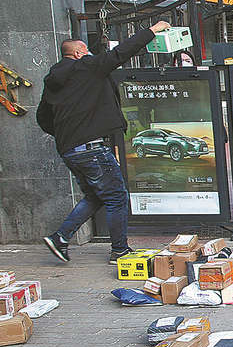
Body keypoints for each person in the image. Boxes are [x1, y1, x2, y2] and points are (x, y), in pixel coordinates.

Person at [38, 20, 171, 264]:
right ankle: (119, 250)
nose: (91, 55)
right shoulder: (86, 67)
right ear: (77, 54)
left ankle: (60, 237)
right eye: (86, 51)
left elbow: (43, 118)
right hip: (91, 148)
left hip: (70, 149)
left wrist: (69, 135)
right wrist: (152, 30)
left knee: (96, 196)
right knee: (117, 196)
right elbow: (121, 53)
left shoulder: (53, 80)